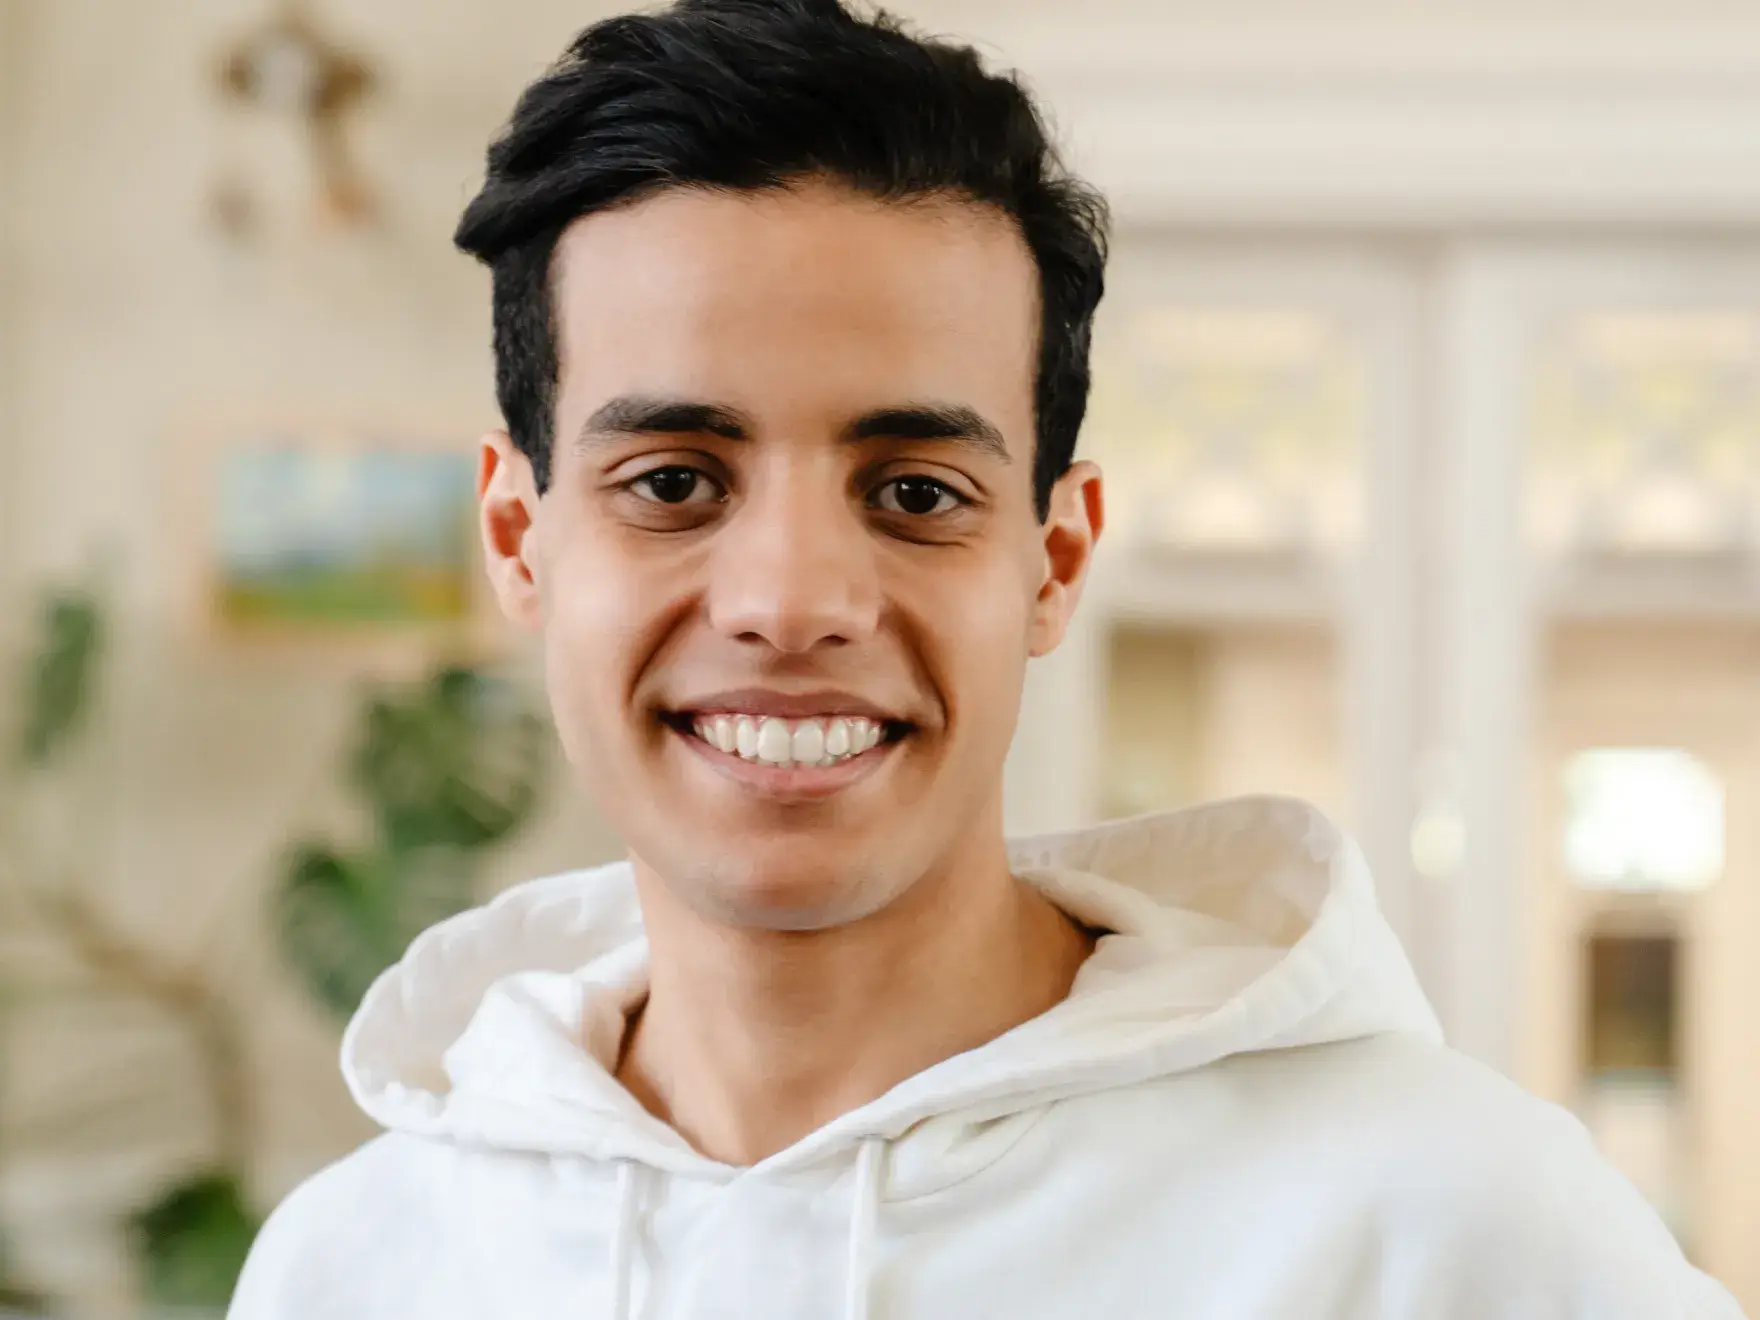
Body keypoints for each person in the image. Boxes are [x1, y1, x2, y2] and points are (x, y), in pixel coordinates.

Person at [229, 1, 1745, 1316]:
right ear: (517, 537)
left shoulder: (1448, 1228)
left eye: (914, 494)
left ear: (1055, 558)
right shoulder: (355, 1271)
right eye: (676, 481)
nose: (793, 601)